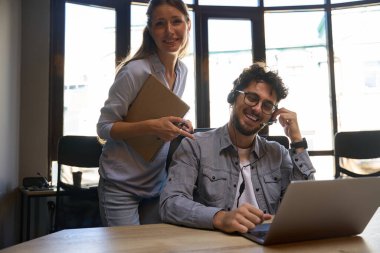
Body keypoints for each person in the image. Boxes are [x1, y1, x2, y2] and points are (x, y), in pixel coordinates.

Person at [160, 62, 316, 233]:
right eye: (252, 98)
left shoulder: (277, 153)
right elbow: (171, 203)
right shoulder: (195, 145)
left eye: (267, 105)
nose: (257, 109)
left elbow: (306, 206)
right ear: (234, 96)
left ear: (271, 116)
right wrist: (220, 217)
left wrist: (297, 141)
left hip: (267, 243)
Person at [97, 0, 193, 227]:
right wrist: (152, 126)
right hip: (120, 186)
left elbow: (158, 117)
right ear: (150, 30)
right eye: (160, 24)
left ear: (188, 24)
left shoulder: (182, 71)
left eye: (176, 21)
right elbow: (103, 128)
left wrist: (177, 126)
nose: (169, 31)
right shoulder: (135, 71)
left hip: (156, 185)